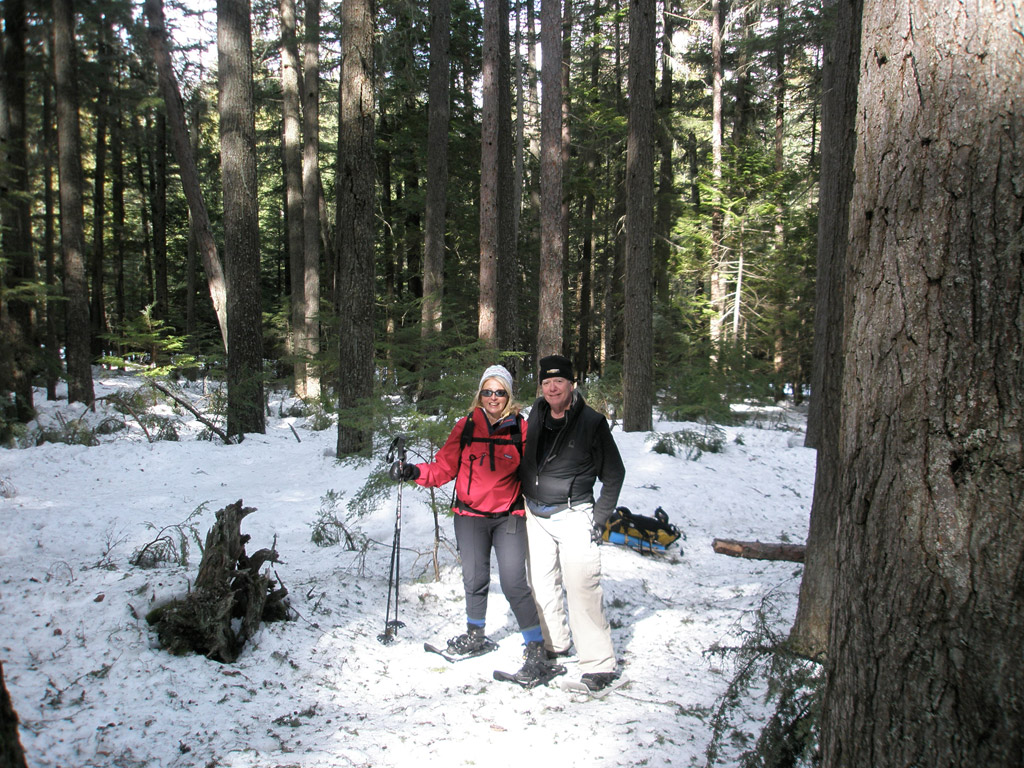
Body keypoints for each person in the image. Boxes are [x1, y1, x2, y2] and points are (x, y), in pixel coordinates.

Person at [390, 365, 551, 684]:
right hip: (469, 518)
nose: (493, 397)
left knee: (513, 583)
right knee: (474, 579)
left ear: (508, 395)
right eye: (488, 391)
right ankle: (475, 634)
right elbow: (442, 469)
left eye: (500, 392)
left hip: (509, 517)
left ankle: (535, 647)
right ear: (480, 394)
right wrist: (412, 472)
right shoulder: (464, 428)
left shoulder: (522, 428)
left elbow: (541, 465)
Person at [519, 354, 626, 692]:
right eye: (547, 382)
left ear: (571, 384)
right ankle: (555, 645)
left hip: (574, 513)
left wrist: (598, 519)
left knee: (582, 587)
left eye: (559, 381)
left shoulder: (592, 423)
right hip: (535, 514)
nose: (552, 387)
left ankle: (598, 665)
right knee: (542, 583)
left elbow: (614, 475)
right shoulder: (536, 412)